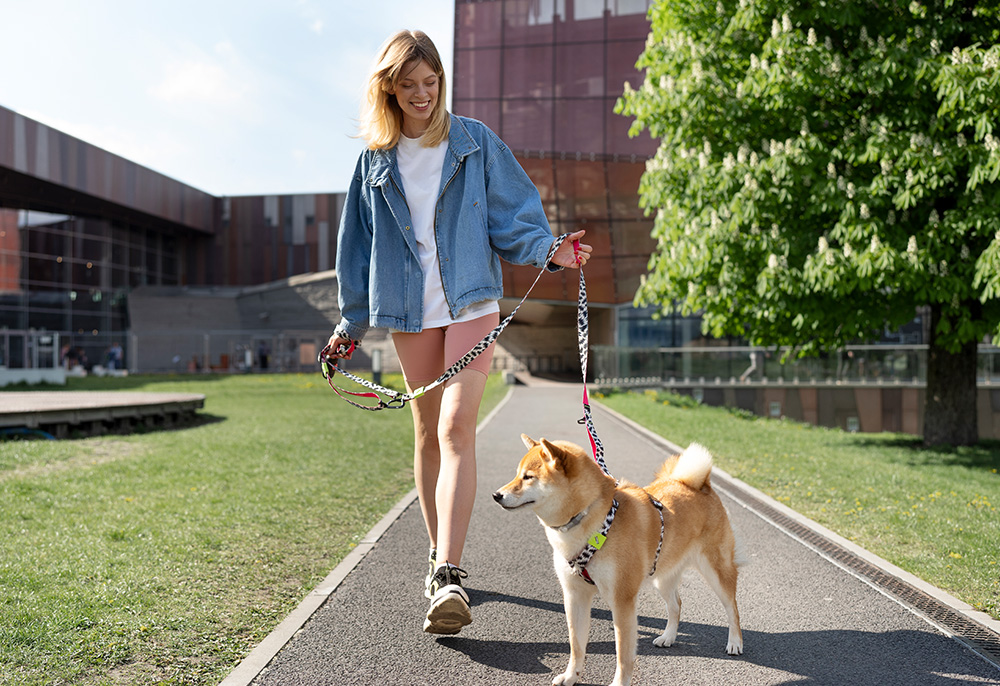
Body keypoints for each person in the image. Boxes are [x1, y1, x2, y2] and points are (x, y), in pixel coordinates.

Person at [325, 29, 592, 635]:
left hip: (471, 298)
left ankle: (449, 572)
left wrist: (549, 250)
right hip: (407, 309)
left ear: (441, 80)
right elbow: (357, 246)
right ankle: (437, 556)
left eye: (432, 82)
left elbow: (516, 214)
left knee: (453, 426)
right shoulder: (373, 162)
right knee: (425, 433)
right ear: (389, 88)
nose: (423, 94)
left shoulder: (474, 143)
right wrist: (350, 319)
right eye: (410, 85)